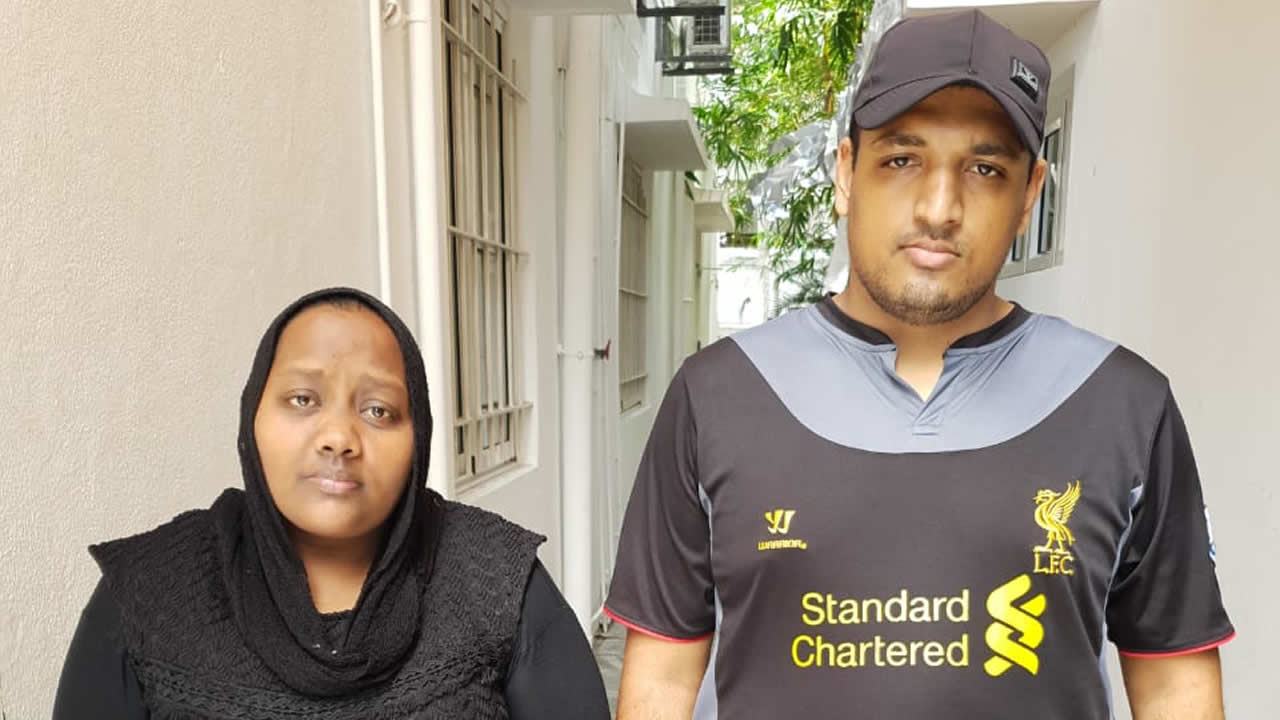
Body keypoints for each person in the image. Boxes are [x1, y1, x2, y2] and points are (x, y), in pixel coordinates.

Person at [604, 10, 1232, 720]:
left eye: (986, 170)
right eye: (902, 159)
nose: (939, 208)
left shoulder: (1121, 405)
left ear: (1029, 196)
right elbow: (661, 681)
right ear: (847, 173)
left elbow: (1175, 684)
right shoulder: (719, 396)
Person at [53, 287, 609, 719]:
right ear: (253, 418)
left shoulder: (495, 578)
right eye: (302, 399)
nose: (339, 437)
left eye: (378, 410)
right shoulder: (151, 591)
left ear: (418, 437)